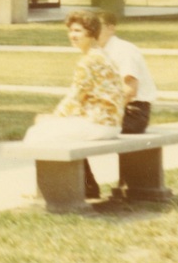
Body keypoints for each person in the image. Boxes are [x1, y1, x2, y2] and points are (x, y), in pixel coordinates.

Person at [23, 10, 125, 173]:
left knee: (37, 133)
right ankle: (85, 186)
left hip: (98, 124)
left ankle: (56, 191)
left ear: (91, 33)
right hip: (110, 123)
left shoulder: (88, 61)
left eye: (78, 31)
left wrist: (52, 118)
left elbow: (74, 98)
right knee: (52, 132)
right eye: (70, 31)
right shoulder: (103, 56)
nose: (72, 35)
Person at [89, 10, 160, 198]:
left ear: (112, 28)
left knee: (79, 129)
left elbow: (129, 91)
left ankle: (86, 188)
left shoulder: (124, 50)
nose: (94, 31)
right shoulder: (98, 52)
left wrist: (103, 112)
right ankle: (85, 186)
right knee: (71, 127)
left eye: (99, 26)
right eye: (92, 26)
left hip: (134, 113)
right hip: (118, 110)